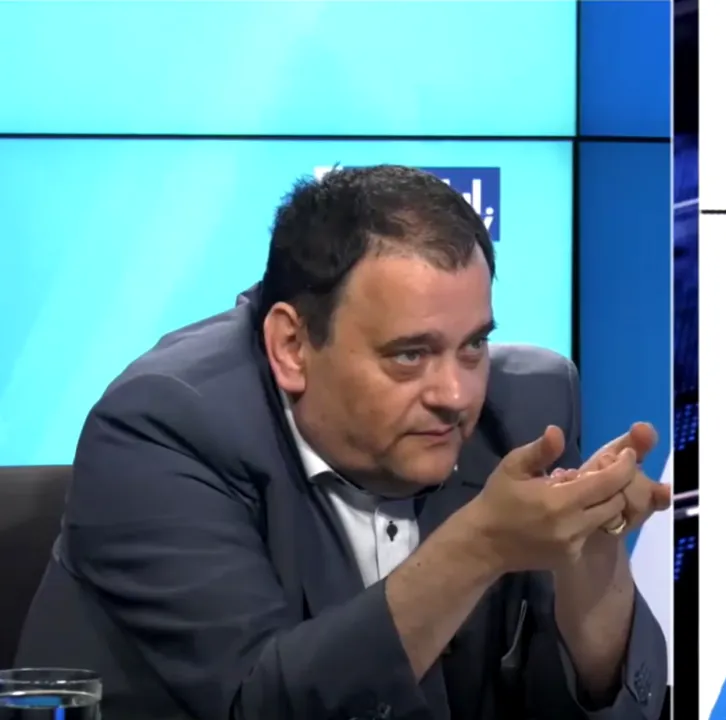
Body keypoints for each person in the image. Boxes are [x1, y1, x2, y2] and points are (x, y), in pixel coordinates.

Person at [16, 165, 670, 720]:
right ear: (292, 347)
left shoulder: (527, 409)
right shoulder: (162, 428)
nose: (455, 393)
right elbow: (258, 704)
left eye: (473, 345)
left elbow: (589, 705)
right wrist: (480, 545)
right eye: (410, 355)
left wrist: (591, 565)